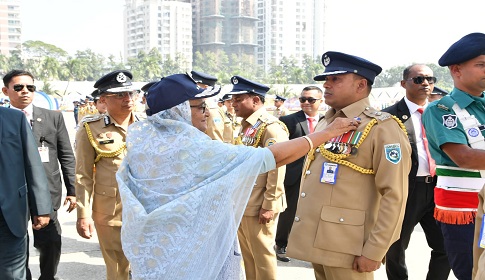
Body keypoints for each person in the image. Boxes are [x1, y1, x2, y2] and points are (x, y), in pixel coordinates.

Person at [115, 73, 359, 279]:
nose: (207, 113)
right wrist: (326, 133)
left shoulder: (142, 146)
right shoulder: (195, 149)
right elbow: (272, 158)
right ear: (177, 111)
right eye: (199, 107)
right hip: (192, 259)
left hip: (156, 255)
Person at [287, 51, 411, 280]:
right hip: (319, 239)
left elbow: (395, 194)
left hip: (349, 245)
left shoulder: (382, 128)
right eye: (327, 79)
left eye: (336, 79)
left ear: (361, 85)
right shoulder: (327, 121)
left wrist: (375, 250)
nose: (327, 84)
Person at [418, 33, 485, 280]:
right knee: (472, 272)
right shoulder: (441, 110)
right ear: (456, 70)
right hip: (464, 208)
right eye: (481, 65)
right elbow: (464, 158)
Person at [2, 69, 77, 280]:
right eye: (18, 87)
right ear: (5, 91)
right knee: (16, 243)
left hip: (47, 191)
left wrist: (73, 190)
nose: (25, 91)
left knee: (50, 241)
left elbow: (66, 156)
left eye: (30, 87)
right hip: (14, 195)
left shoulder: (53, 117)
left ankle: (48, 276)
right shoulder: (4, 120)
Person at [382, 64, 450, 280]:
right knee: (395, 248)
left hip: (439, 187)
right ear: (404, 84)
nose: (426, 84)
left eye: (430, 79)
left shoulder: (442, 113)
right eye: (419, 79)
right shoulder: (388, 116)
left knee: (445, 246)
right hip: (407, 189)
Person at [75, 70, 140, 280]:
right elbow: (83, 176)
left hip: (145, 208)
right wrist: (83, 214)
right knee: (118, 269)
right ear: (103, 99)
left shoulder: (146, 125)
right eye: (120, 95)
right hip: (111, 212)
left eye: (130, 94)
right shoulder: (90, 128)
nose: (127, 99)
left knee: (145, 265)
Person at [230, 75, 289, 280]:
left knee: (262, 257)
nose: (233, 103)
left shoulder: (271, 127)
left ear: (255, 100)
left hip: (260, 203)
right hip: (244, 200)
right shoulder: (247, 125)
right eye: (233, 100)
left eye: (239, 99)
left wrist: (270, 204)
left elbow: (277, 167)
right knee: (249, 257)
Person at [0, 107, 52, 280]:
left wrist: (41, 207)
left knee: (12, 274)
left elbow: (33, 163)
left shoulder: (14, 118)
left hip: (9, 213)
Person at [274, 85, 324, 262]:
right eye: (303, 99)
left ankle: (311, 249)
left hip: (320, 174)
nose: (306, 103)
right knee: (289, 211)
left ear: (321, 101)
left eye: (311, 100)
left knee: (317, 212)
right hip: (295, 173)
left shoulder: (328, 121)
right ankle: (281, 244)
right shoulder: (288, 120)